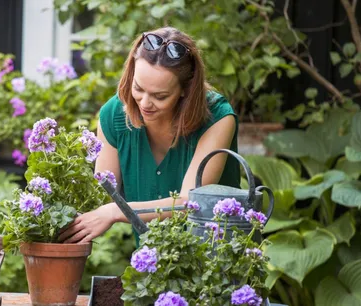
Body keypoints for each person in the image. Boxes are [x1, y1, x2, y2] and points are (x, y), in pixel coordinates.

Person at [58, 27, 240, 246]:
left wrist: (116, 211)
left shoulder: (217, 118)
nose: (144, 103)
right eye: (138, 88)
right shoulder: (113, 115)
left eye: (160, 96)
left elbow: (188, 203)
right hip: (151, 265)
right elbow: (101, 194)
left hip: (216, 258)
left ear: (186, 90)